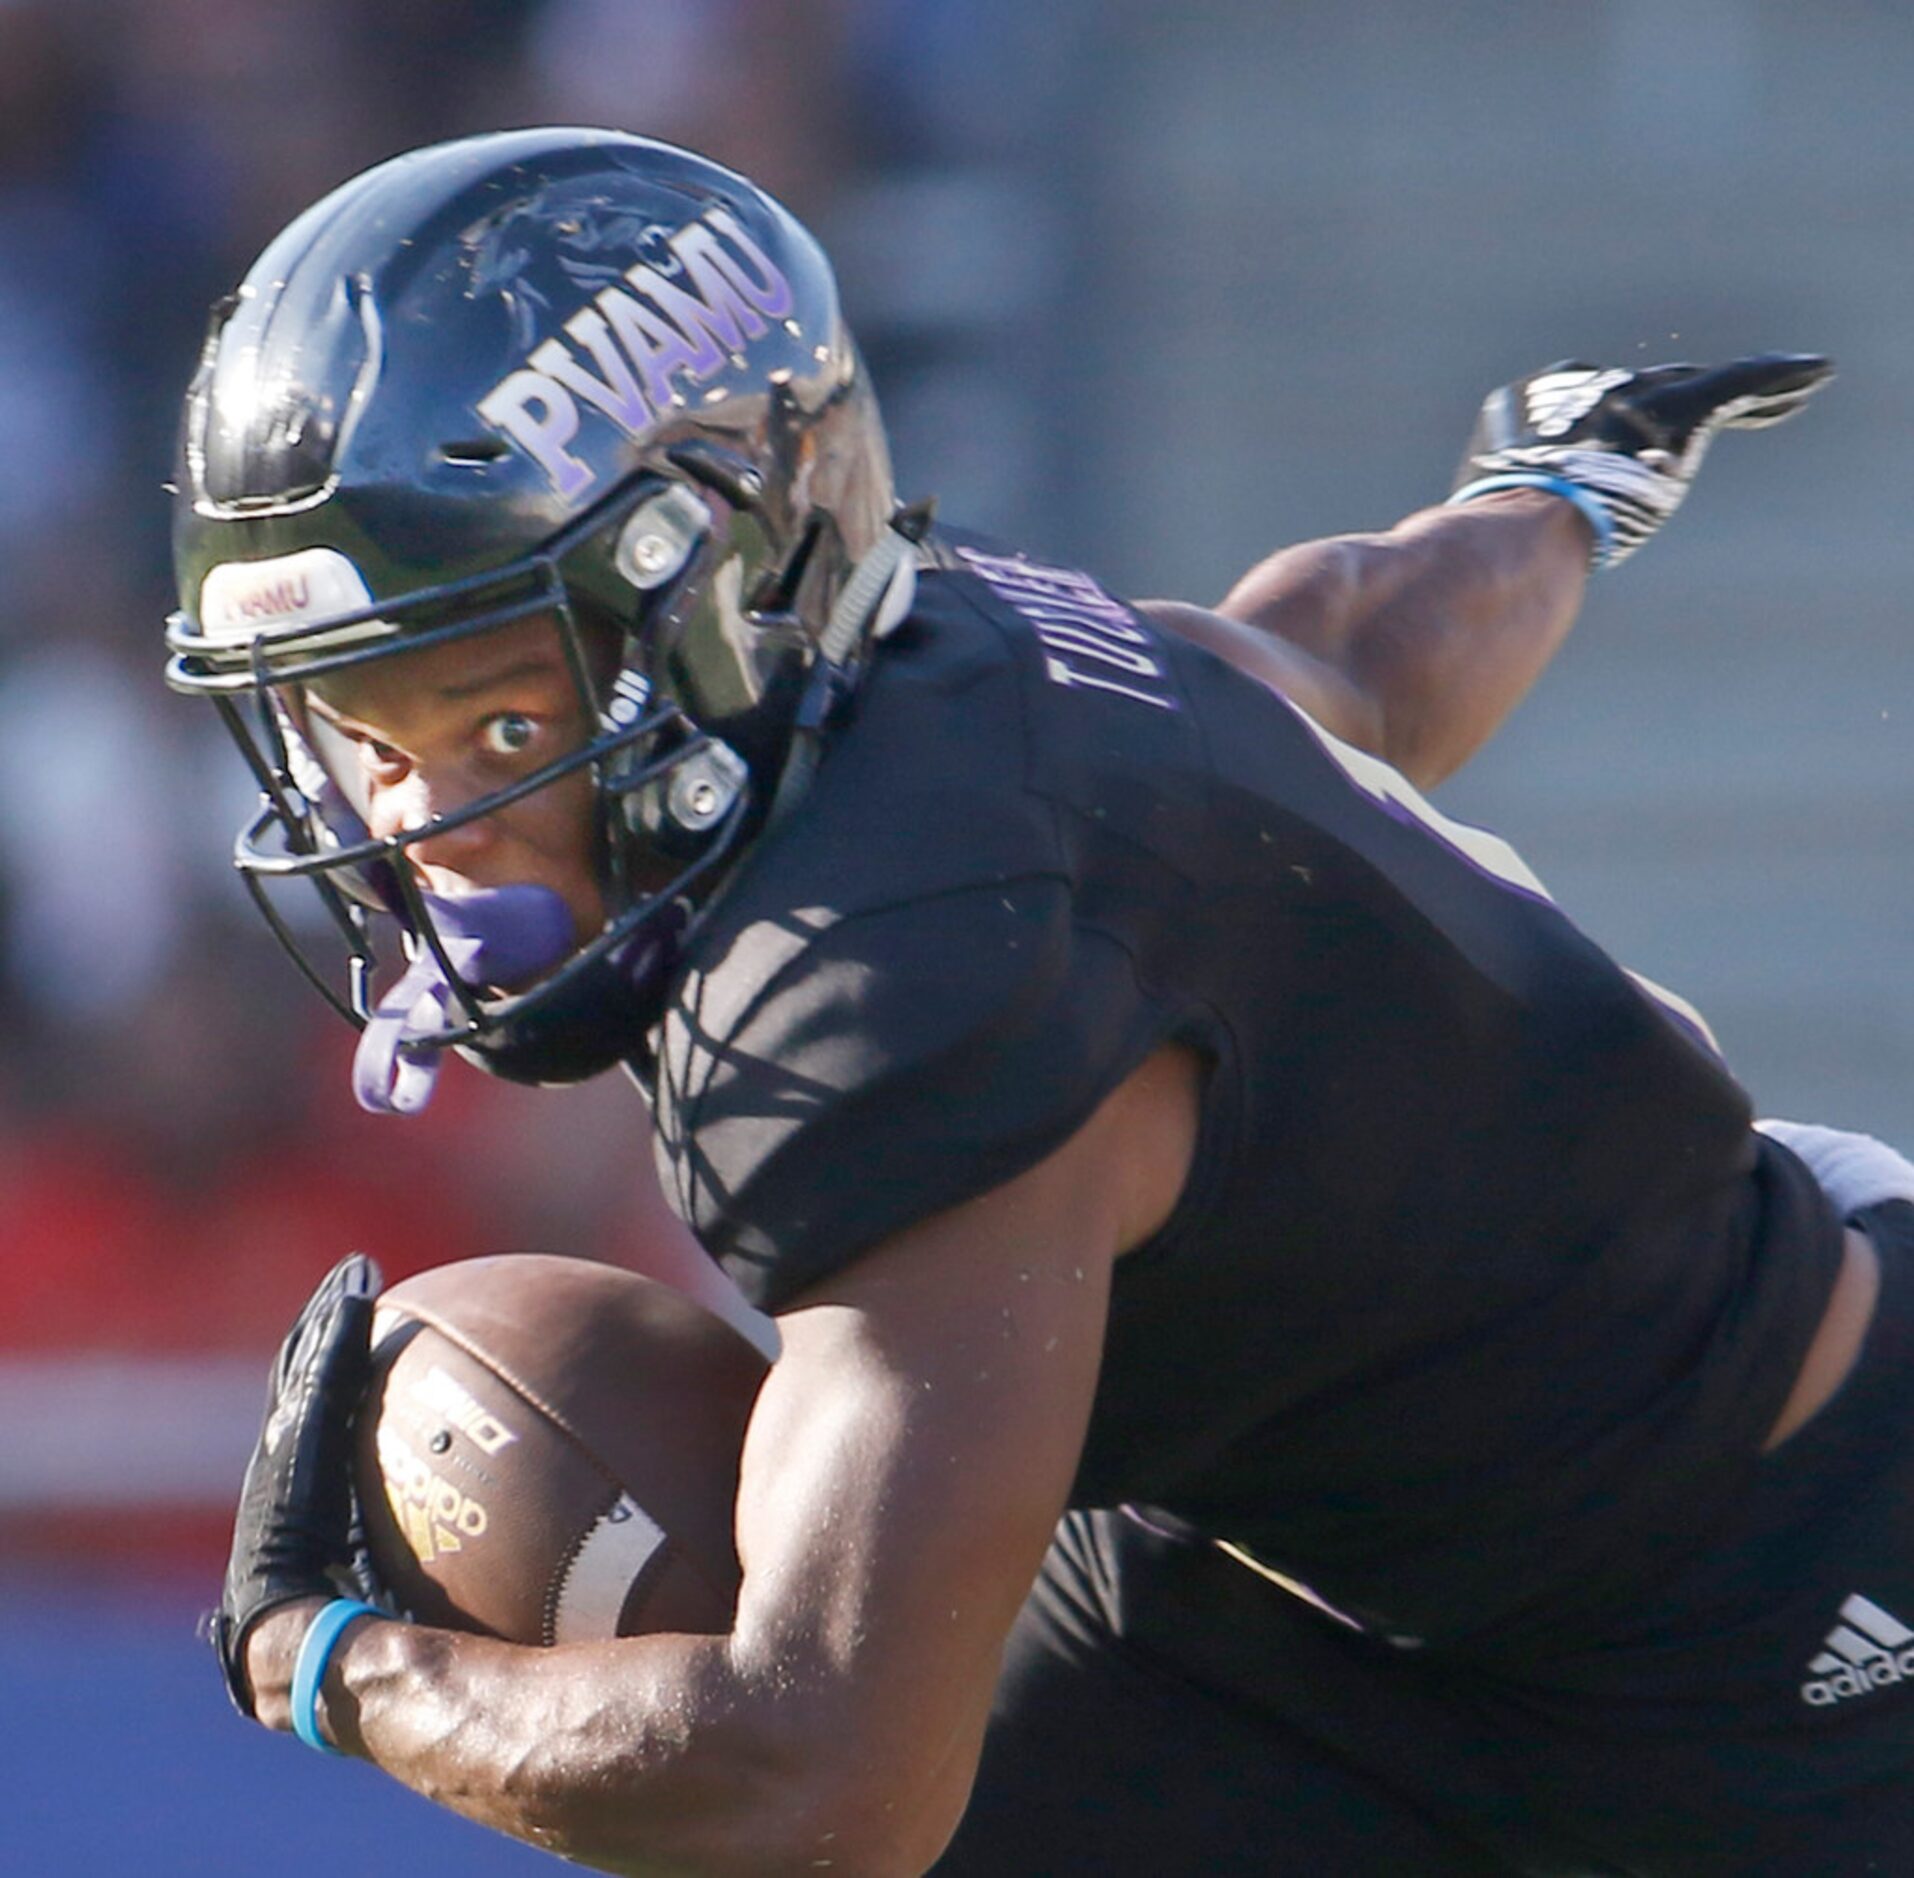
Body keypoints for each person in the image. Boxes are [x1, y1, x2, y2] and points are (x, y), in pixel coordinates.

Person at [162, 128, 1902, 1875]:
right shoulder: (944, 649)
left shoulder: (882, 986)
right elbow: (1342, 656)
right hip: (1315, 1553)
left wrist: (322, 1660)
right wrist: (1549, 491)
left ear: (721, 589)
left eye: (495, 720)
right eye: (358, 727)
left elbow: (821, 1782)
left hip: (1775, 1582)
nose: (414, 820)